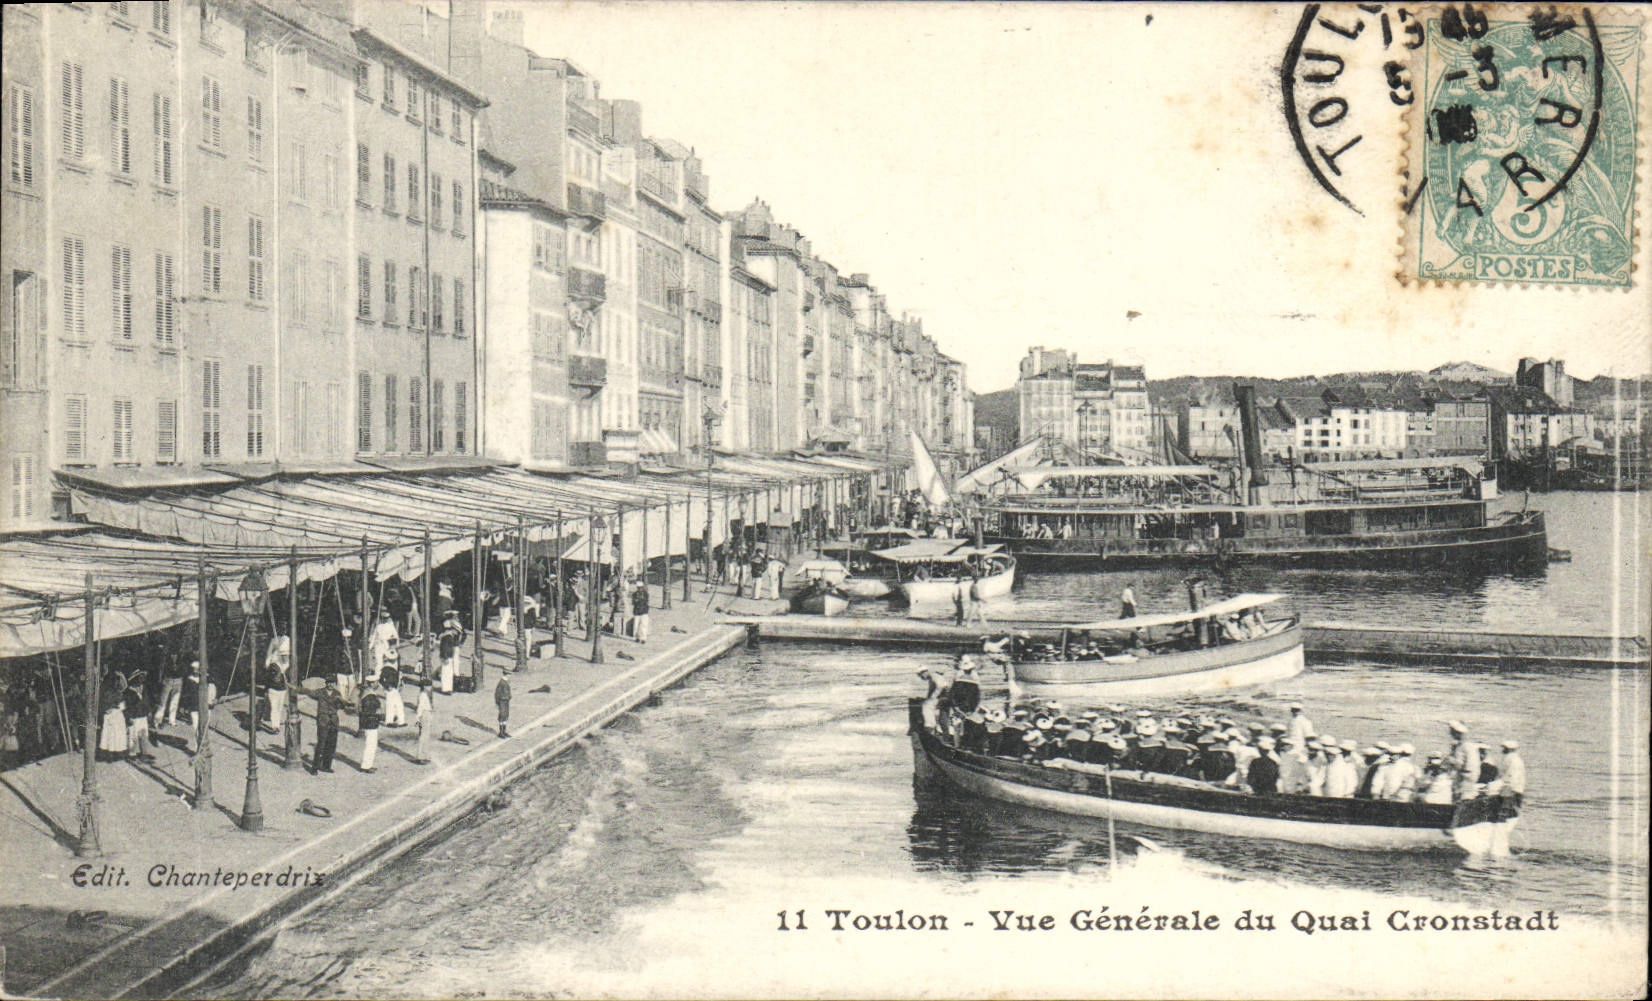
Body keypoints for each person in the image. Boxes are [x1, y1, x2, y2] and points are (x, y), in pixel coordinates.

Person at [97, 673, 129, 762]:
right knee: (115, 735)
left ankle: (109, 754)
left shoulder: (105, 692)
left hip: (109, 715)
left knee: (110, 735)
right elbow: (122, 706)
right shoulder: (118, 693)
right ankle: (114, 753)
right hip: (116, 715)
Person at [313, 682, 340, 773]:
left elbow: (341, 706)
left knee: (331, 745)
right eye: (328, 682)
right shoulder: (320, 692)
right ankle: (314, 767)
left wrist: (340, 703)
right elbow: (309, 693)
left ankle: (326, 766)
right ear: (325, 683)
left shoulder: (337, 693)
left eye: (332, 682)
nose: (330, 685)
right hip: (323, 721)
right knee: (321, 744)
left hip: (333, 722)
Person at [358, 680, 383, 773]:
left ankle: (368, 764)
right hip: (370, 722)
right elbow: (369, 710)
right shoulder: (369, 696)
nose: (377, 684)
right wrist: (378, 714)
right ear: (371, 684)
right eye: (376, 682)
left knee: (372, 744)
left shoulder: (368, 694)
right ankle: (365, 766)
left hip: (371, 722)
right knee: (370, 744)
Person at [156, 653, 187, 729]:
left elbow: (183, 670)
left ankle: (172, 719)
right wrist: (162, 678)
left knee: (175, 701)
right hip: (168, 679)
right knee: (163, 701)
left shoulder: (181, 660)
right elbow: (162, 668)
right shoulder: (166, 659)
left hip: (178, 680)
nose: (174, 655)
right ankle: (158, 720)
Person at [438, 610, 465, 694]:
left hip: (448, 656)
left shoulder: (448, 636)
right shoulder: (447, 637)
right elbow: (444, 648)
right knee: (446, 672)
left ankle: (448, 688)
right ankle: (446, 689)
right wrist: (445, 657)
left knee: (448, 672)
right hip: (447, 657)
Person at [369, 609, 399, 680]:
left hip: (385, 645)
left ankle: (383, 675)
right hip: (382, 645)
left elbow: (395, 636)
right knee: (380, 661)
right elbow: (374, 636)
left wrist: (370, 646)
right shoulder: (382, 626)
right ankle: (380, 675)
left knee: (384, 661)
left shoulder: (387, 626)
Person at [379, 653, 406, 727]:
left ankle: (401, 721)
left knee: (398, 704)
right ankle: (389, 721)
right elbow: (381, 679)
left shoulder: (394, 667)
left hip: (395, 688)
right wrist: (387, 686)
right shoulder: (386, 668)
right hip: (390, 689)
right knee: (391, 705)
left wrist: (400, 684)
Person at [1498, 739, 1525, 806]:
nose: (1502, 750)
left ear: (1509, 749)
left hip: (1511, 791)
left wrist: (1509, 790)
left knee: (1509, 810)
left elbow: (1513, 776)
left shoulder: (1513, 760)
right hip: (1512, 789)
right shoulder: (1512, 759)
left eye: (1505, 748)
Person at [412, 679, 433, 764]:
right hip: (424, 715)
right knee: (423, 736)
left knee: (425, 735)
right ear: (425, 687)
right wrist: (418, 718)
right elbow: (420, 708)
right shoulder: (423, 695)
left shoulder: (423, 694)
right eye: (429, 686)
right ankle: (420, 756)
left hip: (426, 714)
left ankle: (424, 755)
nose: (430, 687)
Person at [631, 580, 651, 644]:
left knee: (644, 625)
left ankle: (643, 638)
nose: (640, 589)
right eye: (638, 587)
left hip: (644, 611)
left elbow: (644, 601)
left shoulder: (645, 594)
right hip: (637, 611)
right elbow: (634, 602)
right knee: (636, 625)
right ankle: (637, 637)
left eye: (641, 587)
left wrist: (638, 600)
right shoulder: (634, 594)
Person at [494, 673, 512, 739]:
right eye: (509, 674)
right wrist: (497, 702)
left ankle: (504, 731)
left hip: (506, 700)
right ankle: (501, 732)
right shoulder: (501, 682)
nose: (510, 676)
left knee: (506, 715)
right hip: (502, 701)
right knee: (502, 715)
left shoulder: (506, 681)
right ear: (506, 674)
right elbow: (497, 693)